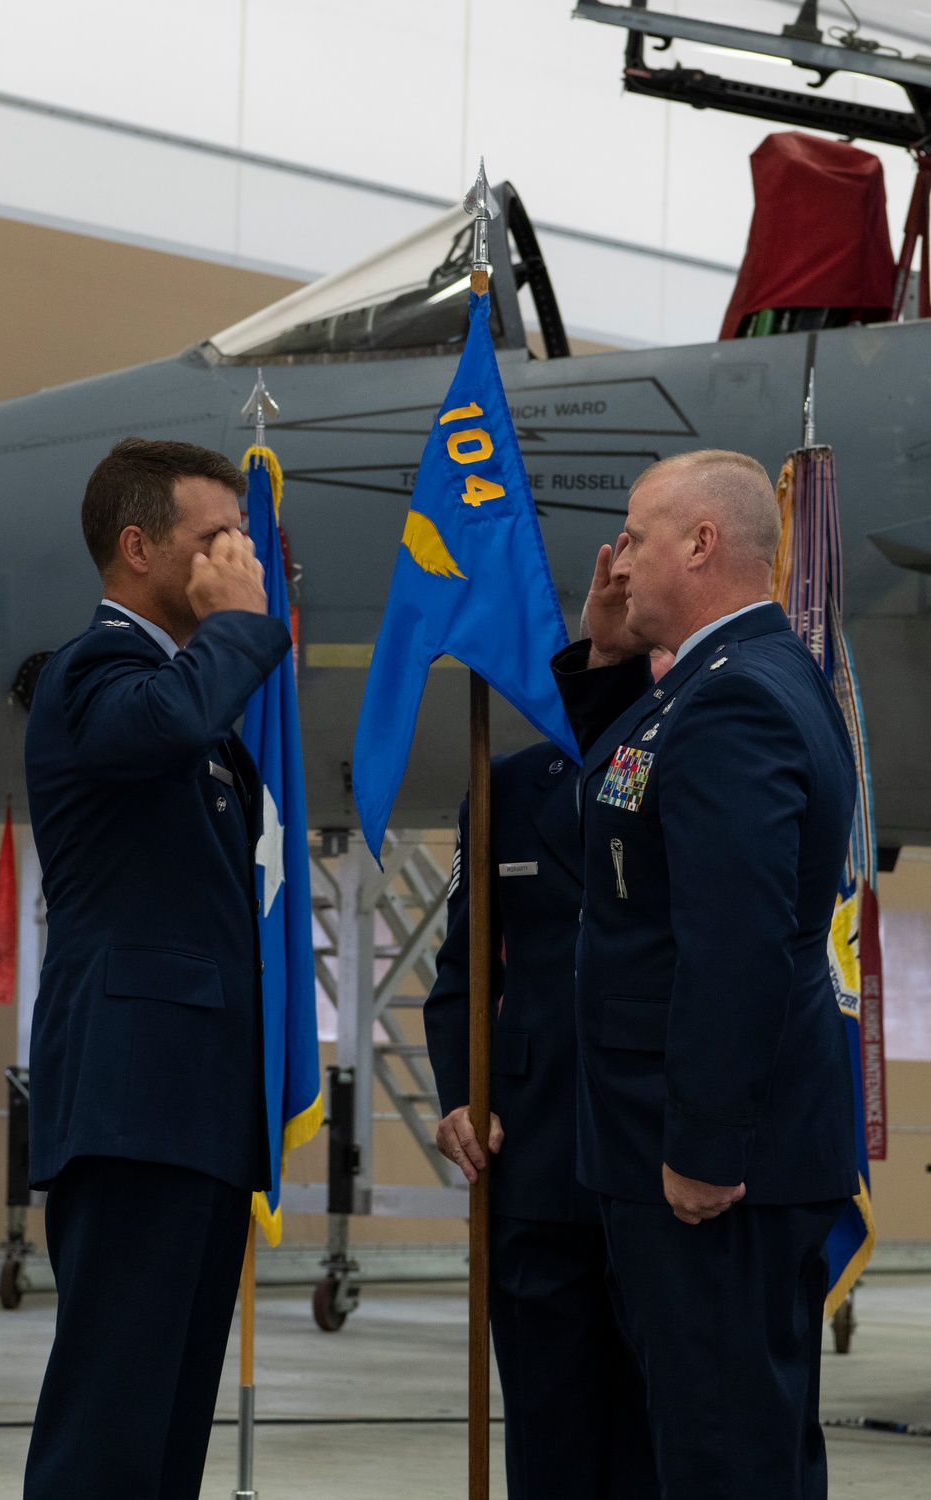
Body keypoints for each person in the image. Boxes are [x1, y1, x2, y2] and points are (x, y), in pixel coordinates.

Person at [551, 449, 858, 1500]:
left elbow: (738, 943)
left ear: (702, 543)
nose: (617, 560)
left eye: (634, 535)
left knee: (727, 1455)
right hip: (685, 1152)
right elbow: (626, 810)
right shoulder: (722, 682)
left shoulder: (740, 701)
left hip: (716, 1170)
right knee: (715, 1440)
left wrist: (704, 1145)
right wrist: (601, 654)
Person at [23, 438, 291, 1500]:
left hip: (196, 1111)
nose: (239, 556)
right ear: (138, 549)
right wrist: (237, 627)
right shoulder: (96, 671)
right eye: (214, 537)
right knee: (112, 1422)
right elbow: (170, 720)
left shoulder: (188, 706)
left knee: (168, 1426)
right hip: (133, 1103)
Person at [425, 740, 661, 1500]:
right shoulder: (502, 790)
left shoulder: (686, 759)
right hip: (531, 1155)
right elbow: (463, 972)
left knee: (653, 1439)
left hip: (654, 1152)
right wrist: (462, 1093)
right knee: (545, 1431)